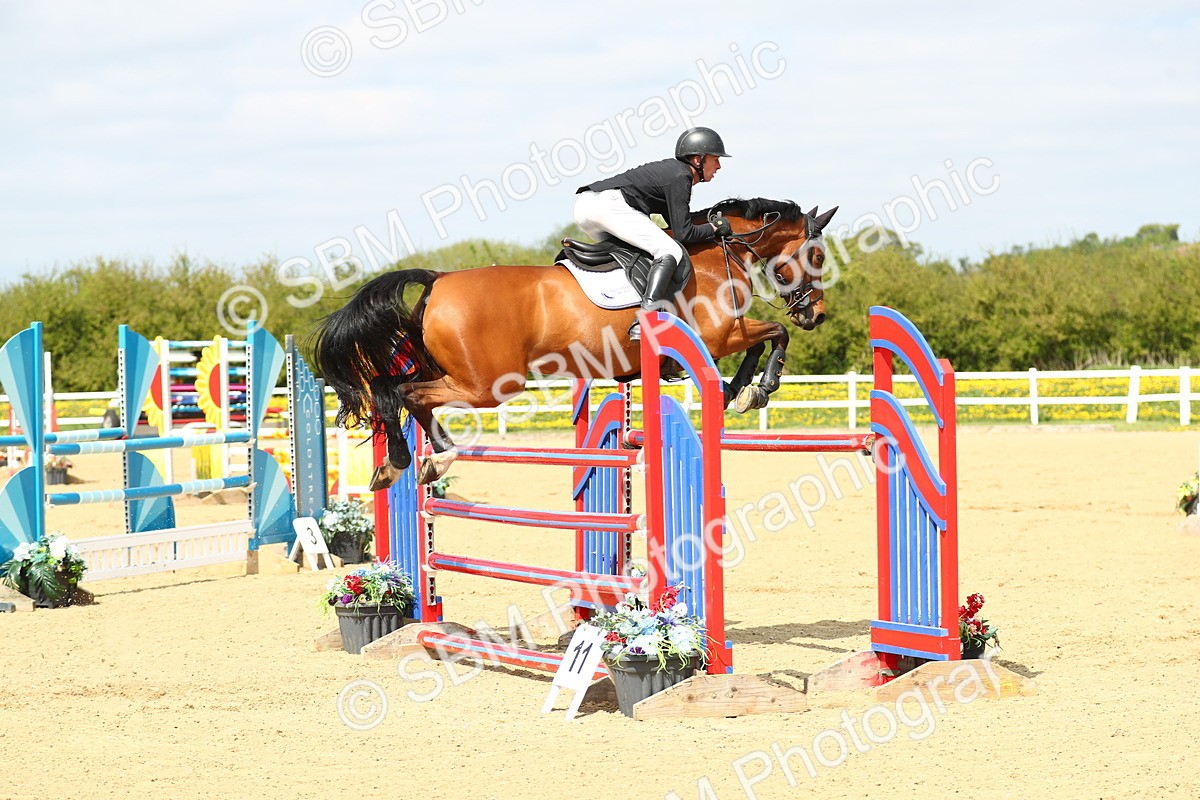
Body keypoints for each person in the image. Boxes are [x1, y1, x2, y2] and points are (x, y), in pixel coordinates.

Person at [574, 126, 733, 341]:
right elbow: (684, 234)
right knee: (669, 250)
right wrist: (715, 228)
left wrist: (708, 222)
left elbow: (677, 221)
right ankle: (646, 317)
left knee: (640, 254)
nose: (719, 166)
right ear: (698, 159)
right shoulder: (681, 176)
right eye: (715, 159)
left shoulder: (674, 173)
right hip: (608, 206)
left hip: (586, 207)